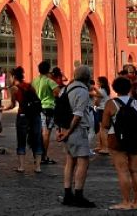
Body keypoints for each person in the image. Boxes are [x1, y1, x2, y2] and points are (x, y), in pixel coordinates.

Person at [101, 73, 137, 210]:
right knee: (135, 170)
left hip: (116, 139)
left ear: (115, 89)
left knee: (122, 171)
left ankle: (126, 202)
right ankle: (136, 202)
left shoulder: (111, 103)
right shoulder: (136, 103)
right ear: (129, 88)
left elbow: (106, 125)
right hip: (135, 138)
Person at [57, 64, 97, 208]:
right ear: (87, 77)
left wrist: (61, 130)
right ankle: (78, 195)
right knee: (83, 162)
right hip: (77, 130)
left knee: (70, 161)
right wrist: (69, 131)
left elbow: (60, 110)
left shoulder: (66, 88)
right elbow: (78, 114)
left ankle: (68, 194)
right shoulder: (82, 91)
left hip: (66, 128)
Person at [9, 65, 44, 173]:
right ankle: (38, 167)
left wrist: (2, 109)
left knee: (21, 140)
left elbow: (12, 105)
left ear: (14, 77)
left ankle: (21, 166)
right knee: (37, 139)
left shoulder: (14, 88)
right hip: (35, 115)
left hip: (23, 115)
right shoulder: (29, 86)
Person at [33, 60, 58, 165]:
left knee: (38, 132)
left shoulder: (34, 81)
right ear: (48, 70)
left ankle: (38, 155)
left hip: (37, 108)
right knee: (46, 133)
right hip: (48, 108)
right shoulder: (49, 81)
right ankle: (44, 156)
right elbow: (58, 93)